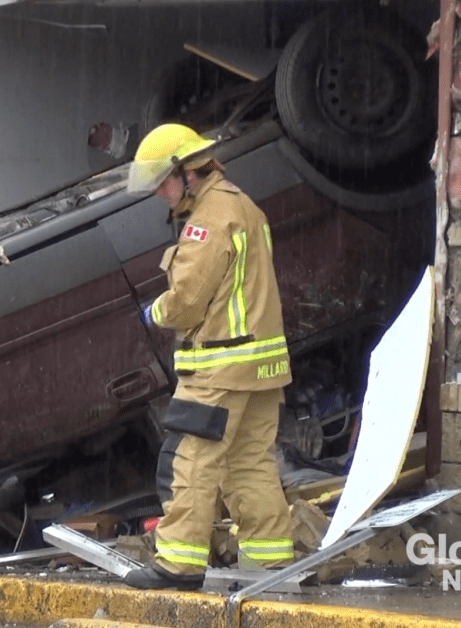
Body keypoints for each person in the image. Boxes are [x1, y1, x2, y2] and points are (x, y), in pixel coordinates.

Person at [122, 123, 294, 590]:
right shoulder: (244, 205)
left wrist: (155, 311)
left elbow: (188, 300)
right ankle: (272, 564)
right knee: (250, 464)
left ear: (187, 172)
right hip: (262, 366)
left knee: (192, 460)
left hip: (222, 365)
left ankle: (178, 564)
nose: (161, 194)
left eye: (164, 182)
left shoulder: (209, 219)